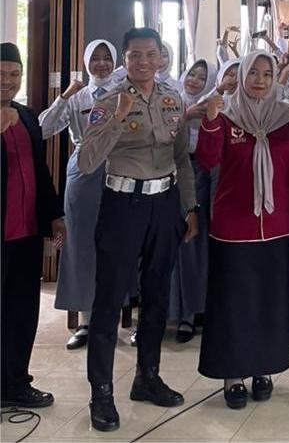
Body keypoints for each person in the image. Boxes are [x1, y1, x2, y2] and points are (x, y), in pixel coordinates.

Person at [76, 27, 199, 432]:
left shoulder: (172, 99)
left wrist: (190, 207)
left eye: (151, 54)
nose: (144, 62)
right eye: (135, 55)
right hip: (122, 205)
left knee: (157, 294)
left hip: (163, 205)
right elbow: (88, 161)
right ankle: (101, 393)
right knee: (109, 300)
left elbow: (181, 159)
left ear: (161, 57)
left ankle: (148, 376)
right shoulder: (107, 101)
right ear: (125, 59)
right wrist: (117, 116)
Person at [196, 51, 289, 409]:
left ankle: (264, 368)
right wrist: (211, 121)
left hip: (278, 227)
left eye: (267, 74)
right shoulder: (227, 115)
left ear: (275, 77)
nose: (260, 80)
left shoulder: (288, 118)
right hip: (233, 228)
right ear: (242, 77)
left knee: (269, 302)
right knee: (234, 303)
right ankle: (233, 375)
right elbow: (207, 160)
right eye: (253, 73)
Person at [38, 40, 117, 350]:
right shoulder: (78, 98)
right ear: (85, 63)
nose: (101, 64)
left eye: (107, 57)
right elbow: (43, 129)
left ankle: (113, 316)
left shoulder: (123, 92)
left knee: (118, 244)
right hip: (83, 173)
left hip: (118, 169)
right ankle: (85, 320)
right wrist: (65, 95)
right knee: (80, 244)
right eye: (95, 58)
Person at [1, 42, 65, 409]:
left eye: (14, 74)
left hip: (25, 233)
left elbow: (41, 172)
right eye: (0, 74)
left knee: (22, 311)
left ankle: (16, 383)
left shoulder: (27, 116)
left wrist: (54, 214)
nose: (7, 80)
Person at [168, 58, 218, 344]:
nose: (195, 81)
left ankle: (190, 312)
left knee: (191, 244)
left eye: (202, 77)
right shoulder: (171, 100)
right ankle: (166, 311)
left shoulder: (211, 107)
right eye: (192, 74)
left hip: (198, 172)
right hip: (166, 172)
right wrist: (184, 116)